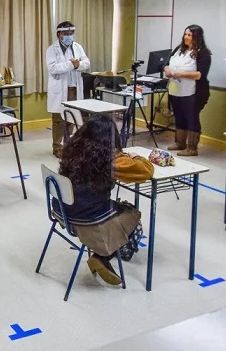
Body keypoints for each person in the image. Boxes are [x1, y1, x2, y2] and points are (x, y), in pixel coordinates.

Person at [53, 115, 154, 285]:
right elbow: (146, 171)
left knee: (113, 205)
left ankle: (102, 255)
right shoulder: (111, 160)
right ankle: (102, 256)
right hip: (88, 218)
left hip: (62, 211)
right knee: (133, 214)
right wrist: (134, 157)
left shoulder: (72, 150)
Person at [164, 24, 212, 157]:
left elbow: (200, 74)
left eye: (190, 35)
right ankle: (180, 142)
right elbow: (166, 63)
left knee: (191, 117)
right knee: (178, 115)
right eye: (185, 34)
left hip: (194, 92)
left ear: (197, 37)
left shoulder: (204, 54)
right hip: (176, 89)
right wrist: (167, 70)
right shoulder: (179, 49)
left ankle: (192, 147)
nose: (186, 37)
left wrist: (182, 74)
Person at [46, 21, 91, 158]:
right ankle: (57, 147)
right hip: (60, 89)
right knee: (58, 120)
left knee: (71, 117)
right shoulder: (52, 49)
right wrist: (72, 65)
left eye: (71, 33)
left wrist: (77, 66)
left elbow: (87, 63)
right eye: (66, 33)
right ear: (59, 33)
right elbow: (53, 68)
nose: (69, 36)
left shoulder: (77, 47)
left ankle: (68, 145)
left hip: (74, 88)